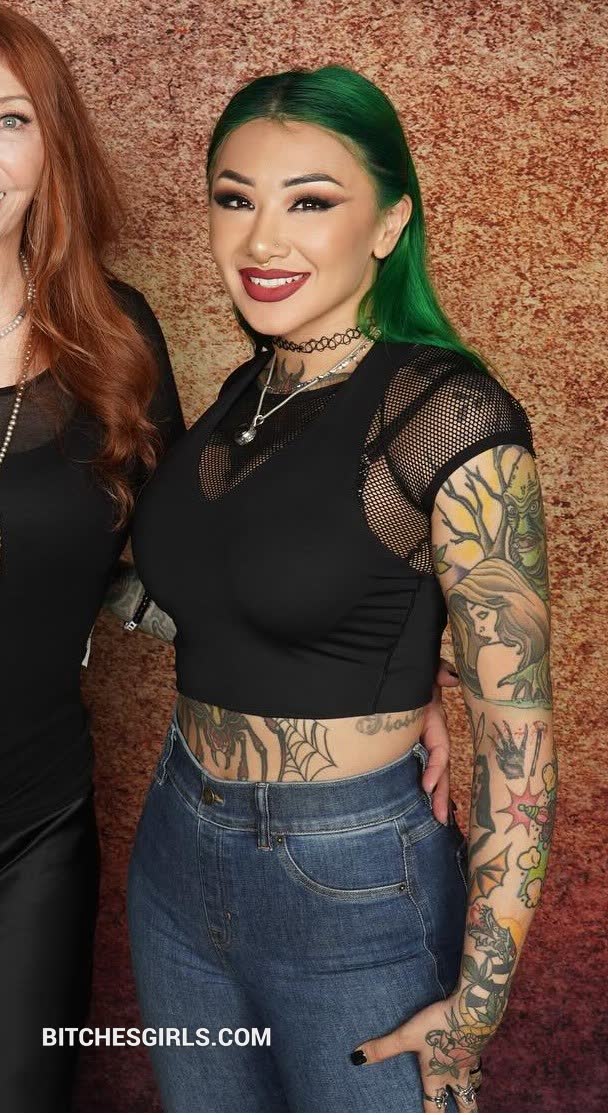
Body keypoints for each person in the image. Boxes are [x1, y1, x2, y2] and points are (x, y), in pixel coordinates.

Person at [126, 65, 556, 1113]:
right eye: (235, 198)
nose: (262, 240)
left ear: (388, 223)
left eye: (309, 201)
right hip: (176, 844)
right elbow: (206, 599)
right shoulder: (247, 394)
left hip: (350, 876)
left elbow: (521, 747)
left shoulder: (445, 416)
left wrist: (473, 1011)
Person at [0, 9, 185, 1110]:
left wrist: (390, 673)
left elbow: (192, 564)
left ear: (51, 145)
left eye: (8, 120)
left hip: (32, 829)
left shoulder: (117, 341)